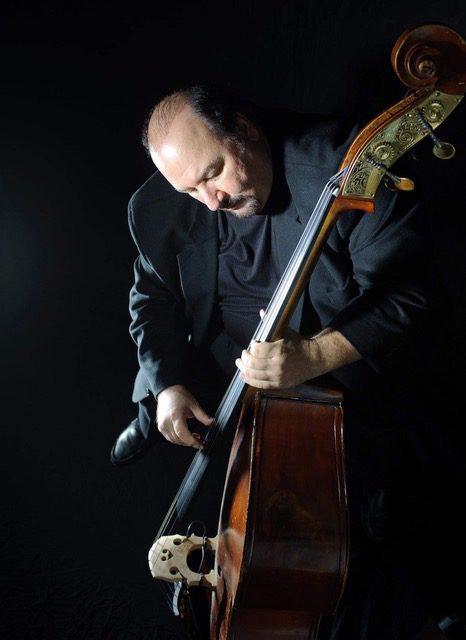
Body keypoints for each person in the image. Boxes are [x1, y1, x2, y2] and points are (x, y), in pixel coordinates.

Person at [110, 85, 459, 639]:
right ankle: (151, 406)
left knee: (372, 533)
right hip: (224, 368)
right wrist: (168, 384)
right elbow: (150, 296)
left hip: (335, 375)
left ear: (245, 130)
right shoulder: (165, 201)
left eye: (215, 173)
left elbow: (411, 296)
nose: (211, 200)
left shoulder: (349, 170)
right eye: (191, 188)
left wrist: (317, 355)